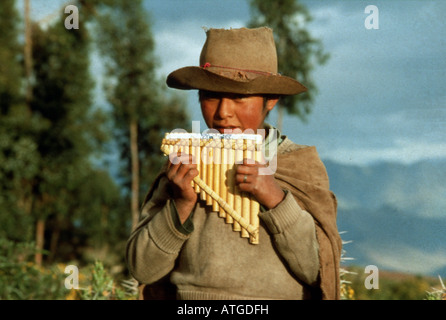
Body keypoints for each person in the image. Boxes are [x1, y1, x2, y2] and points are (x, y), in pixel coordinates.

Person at [126, 27, 342, 300]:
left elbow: (319, 271)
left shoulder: (299, 166)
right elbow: (142, 269)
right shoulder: (184, 163)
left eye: (238, 97)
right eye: (211, 96)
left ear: (271, 99)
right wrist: (181, 205)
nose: (222, 113)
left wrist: (276, 199)